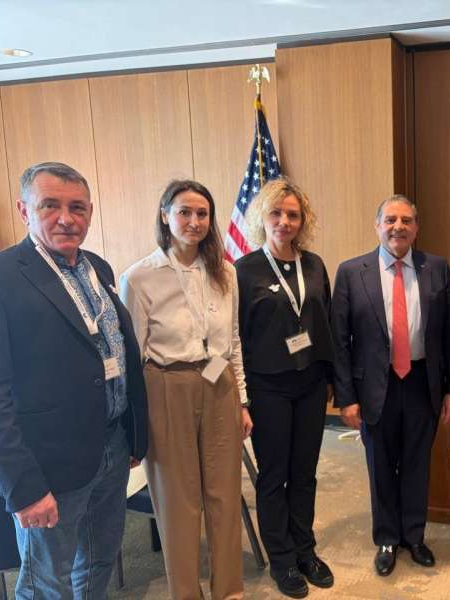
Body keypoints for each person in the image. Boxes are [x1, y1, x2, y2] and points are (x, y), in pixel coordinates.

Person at [0, 161, 148, 598]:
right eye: (50, 206)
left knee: (99, 559)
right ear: (24, 210)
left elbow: (116, 352)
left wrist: (133, 438)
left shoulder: (98, 267)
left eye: (77, 207)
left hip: (112, 447)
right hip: (49, 464)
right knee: (46, 581)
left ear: (90, 212)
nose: (66, 218)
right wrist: (24, 489)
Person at [119, 180, 251, 600]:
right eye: (184, 212)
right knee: (178, 502)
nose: (194, 221)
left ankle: (228, 591)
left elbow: (232, 341)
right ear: (165, 215)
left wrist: (242, 401)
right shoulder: (140, 277)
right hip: (167, 386)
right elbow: (133, 357)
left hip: (219, 383)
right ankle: (186, 593)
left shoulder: (225, 271)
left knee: (224, 494)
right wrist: (136, 421)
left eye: (202, 214)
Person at [330, 194, 450, 577]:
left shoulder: (436, 268)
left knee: (418, 463)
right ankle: (387, 538)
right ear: (378, 226)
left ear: (416, 228)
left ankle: (414, 536)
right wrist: (346, 398)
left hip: (422, 381)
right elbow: (340, 341)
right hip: (375, 385)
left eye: (406, 220)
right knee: (381, 463)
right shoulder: (351, 272)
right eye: (390, 220)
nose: (398, 227)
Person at [235, 178, 335, 599]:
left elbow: (326, 322)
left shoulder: (314, 265)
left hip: (310, 383)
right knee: (274, 475)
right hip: (268, 388)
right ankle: (282, 558)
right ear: (262, 217)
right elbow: (236, 337)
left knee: (305, 472)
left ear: (302, 220)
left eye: (292, 215)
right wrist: (241, 399)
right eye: (276, 213)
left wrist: (331, 378)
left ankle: (305, 549)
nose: (284, 221)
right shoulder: (243, 270)